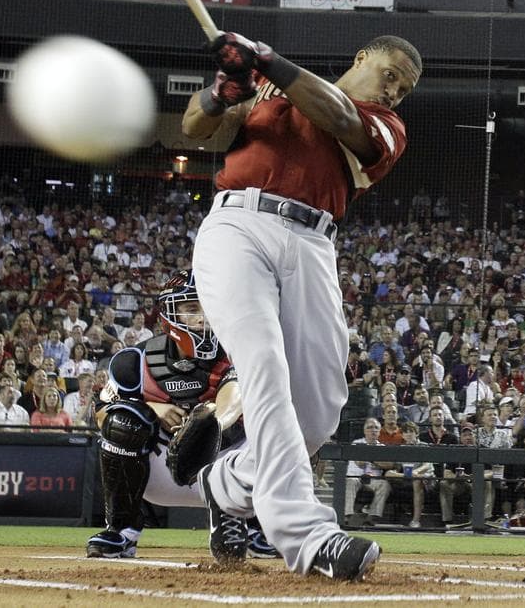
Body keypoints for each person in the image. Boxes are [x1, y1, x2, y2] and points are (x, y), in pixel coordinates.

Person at [182, 32, 421, 579]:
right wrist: (222, 91)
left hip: (314, 242)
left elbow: (336, 115)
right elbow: (193, 127)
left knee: (317, 413)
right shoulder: (265, 86)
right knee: (263, 366)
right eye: (390, 75)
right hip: (238, 224)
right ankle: (309, 537)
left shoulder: (385, 128)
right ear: (361, 55)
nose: (393, 92)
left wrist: (266, 60)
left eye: (403, 89)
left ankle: (227, 483)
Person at [86, 271, 274, 561]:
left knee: (290, 423)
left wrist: (206, 426)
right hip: (163, 471)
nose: (202, 318)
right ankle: (122, 531)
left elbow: (233, 395)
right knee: (122, 421)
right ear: (169, 315)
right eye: (191, 309)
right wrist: (152, 408)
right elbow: (101, 413)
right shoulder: (135, 361)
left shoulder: (241, 351)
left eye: (208, 307)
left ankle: (257, 528)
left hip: (227, 468)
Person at [343, 418, 393, 528]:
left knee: (384, 485)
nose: (373, 430)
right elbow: (359, 462)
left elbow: (389, 465)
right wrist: (377, 460)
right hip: (356, 477)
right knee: (350, 481)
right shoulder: (356, 443)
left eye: (376, 428)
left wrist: (373, 460)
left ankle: (372, 518)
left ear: (380, 431)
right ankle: (346, 517)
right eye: (370, 428)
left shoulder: (382, 447)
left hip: (373, 480)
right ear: (364, 431)